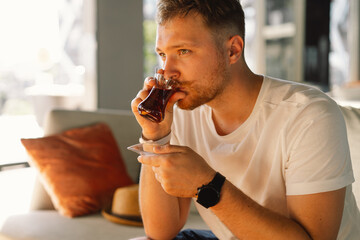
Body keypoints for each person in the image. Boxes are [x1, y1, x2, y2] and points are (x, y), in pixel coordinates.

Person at [131, 0, 360, 239]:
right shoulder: (182, 110)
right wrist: (155, 136)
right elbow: (160, 232)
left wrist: (207, 184)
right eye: (162, 54)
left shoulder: (309, 115)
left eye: (183, 51)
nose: (167, 72)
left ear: (233, 50)